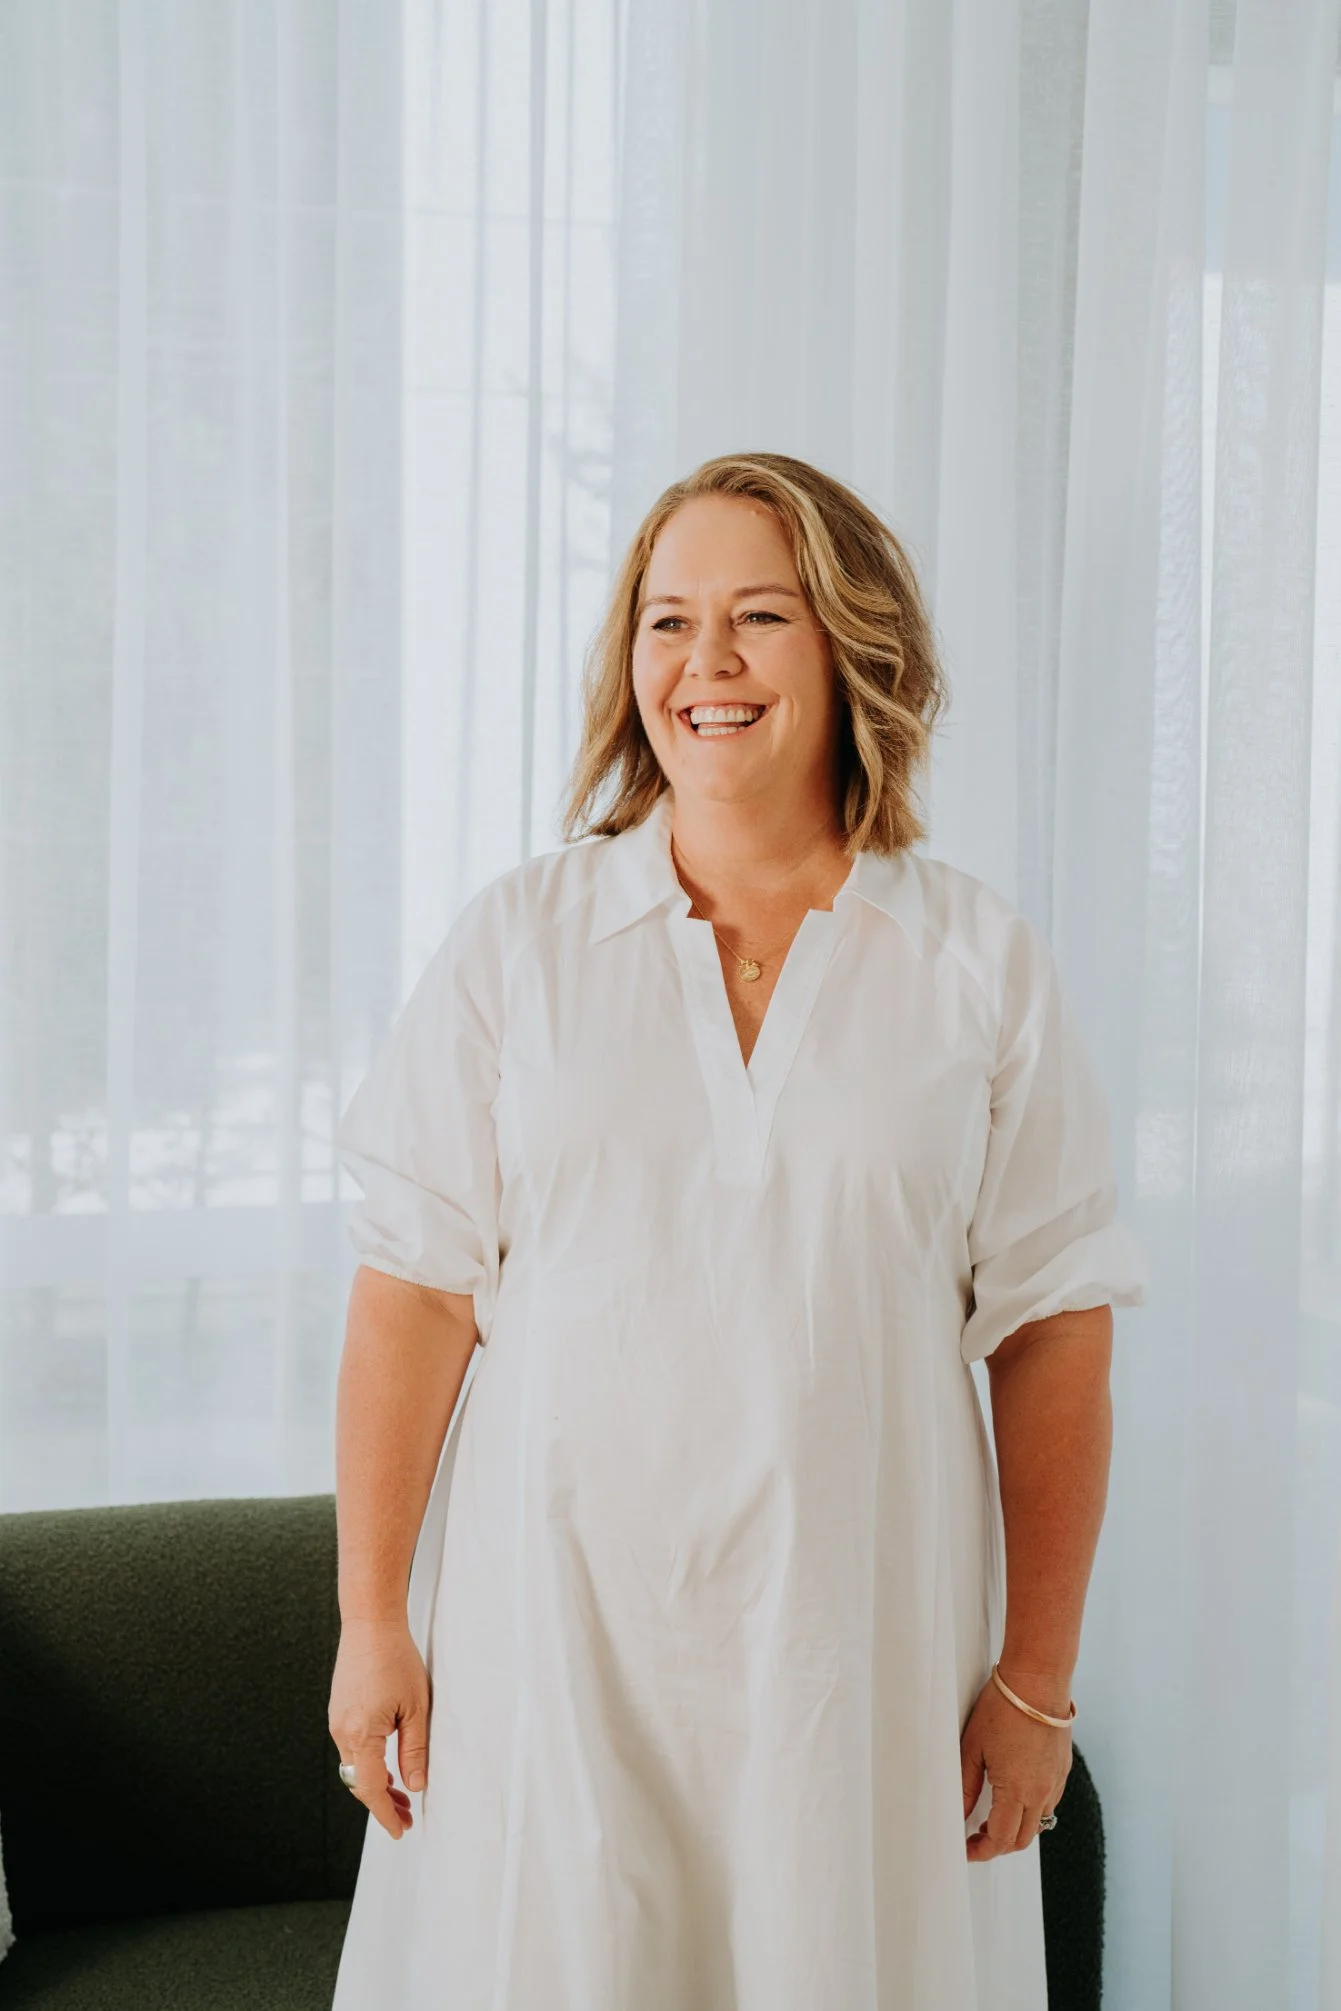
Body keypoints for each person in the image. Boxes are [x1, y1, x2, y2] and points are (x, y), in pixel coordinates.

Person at [327, 451, 1149, 2011]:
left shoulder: (976, 963)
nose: (702, 664)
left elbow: (1053, 1323)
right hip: (550, 1636)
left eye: (758, 616)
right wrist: (374, 1620)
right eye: (666, 619)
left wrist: (1036, 1682)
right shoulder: (522, 943)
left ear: (854, 649)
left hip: (856, 1647)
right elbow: (416, 1290)